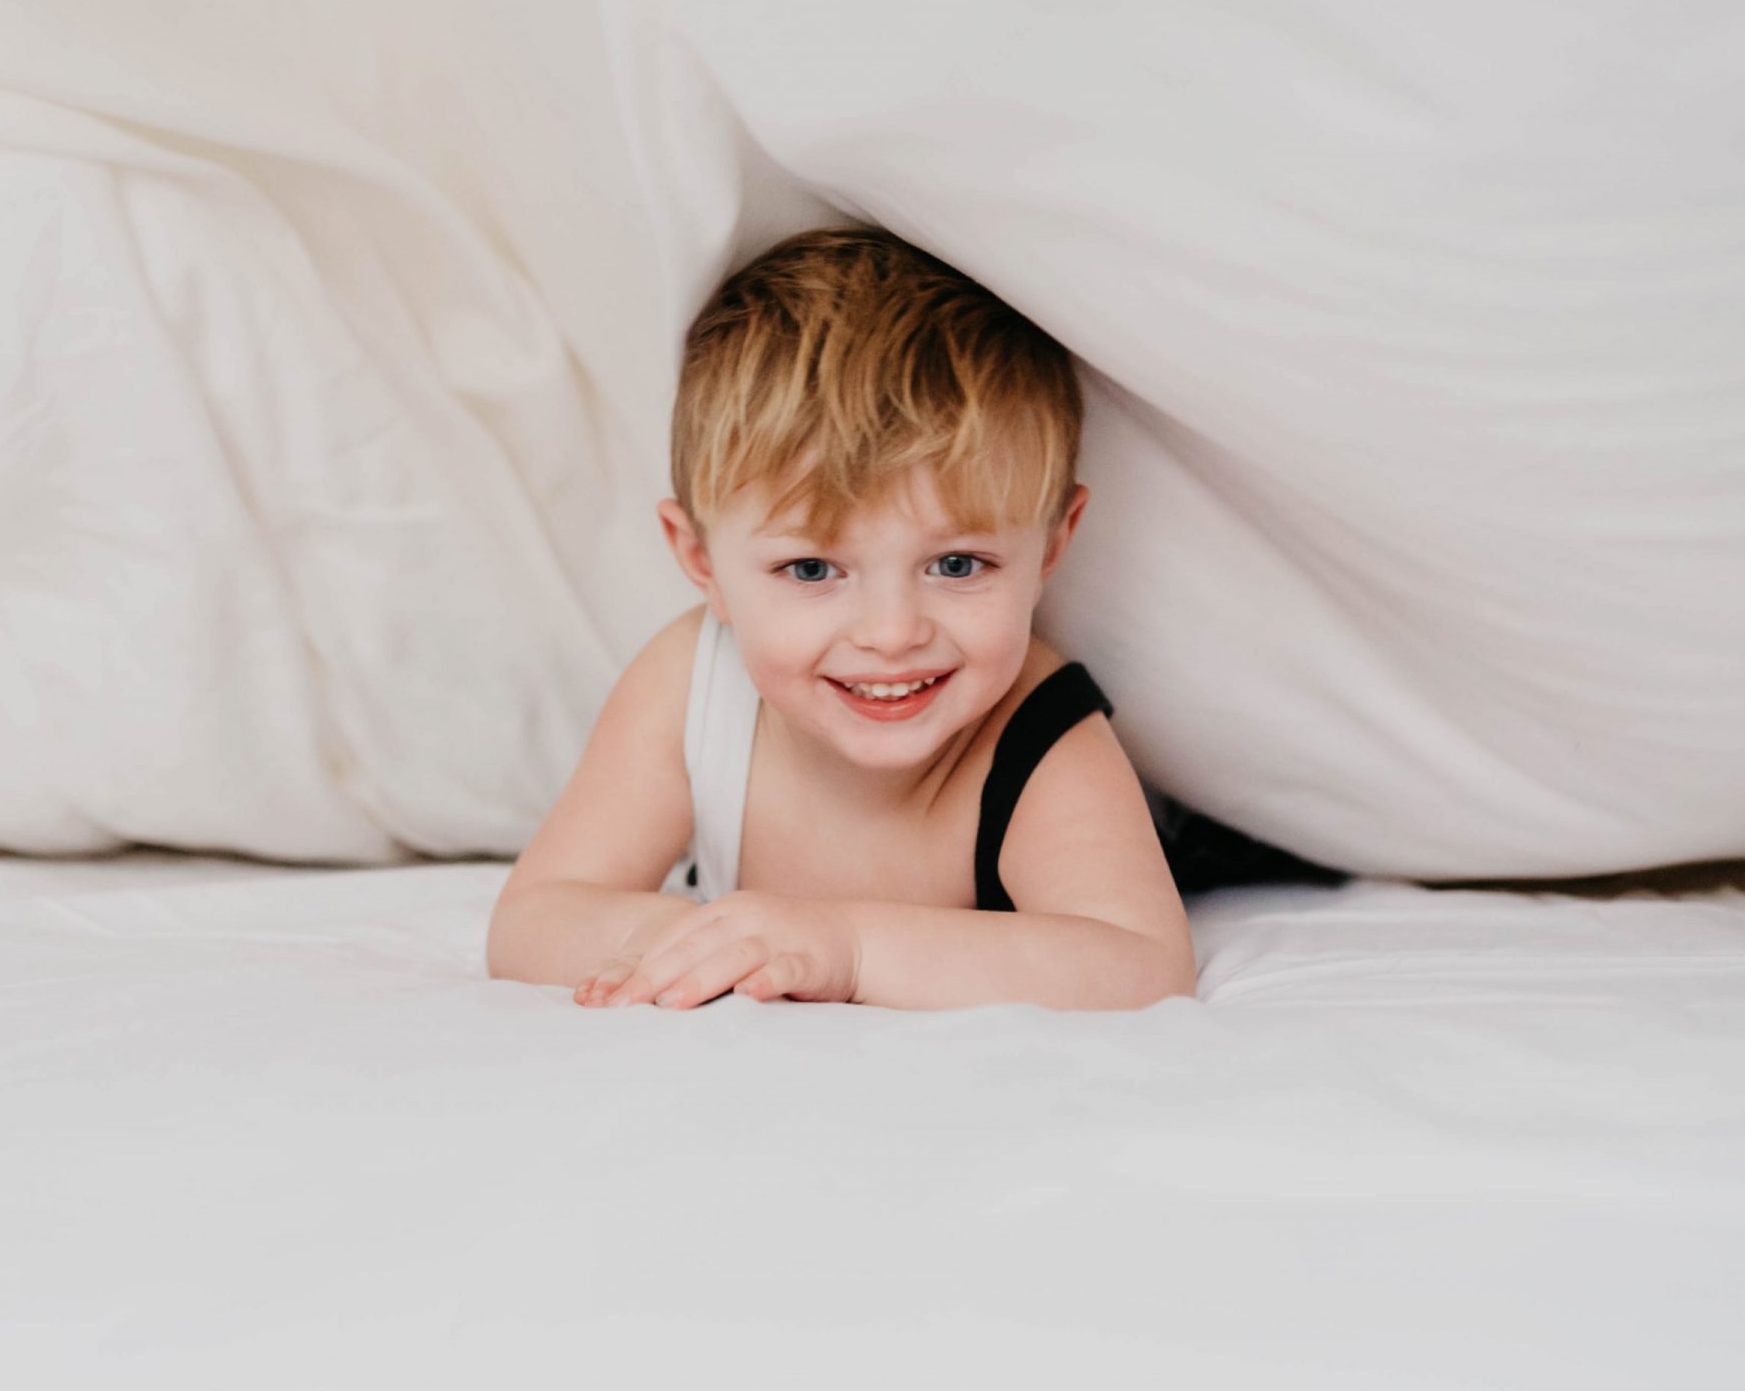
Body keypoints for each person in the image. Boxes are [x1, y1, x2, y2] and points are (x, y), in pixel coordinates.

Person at [486, 226, 1331, 1011]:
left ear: (1049, 545)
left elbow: (1141, 964)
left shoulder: (1036, 731)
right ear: (702, 561)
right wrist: (696, 940)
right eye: (812, 568)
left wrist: (844, 948)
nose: (891, 634)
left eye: (957, 565)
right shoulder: (688, 687)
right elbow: (534, 917)